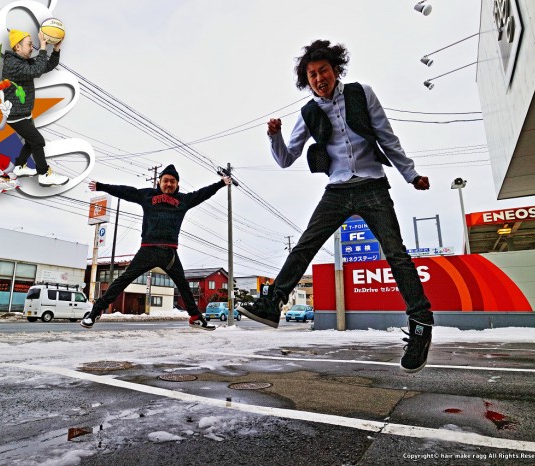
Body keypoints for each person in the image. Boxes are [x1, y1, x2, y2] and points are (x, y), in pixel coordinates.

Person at [238, 40, 434, 373]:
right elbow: (286, 159)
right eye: (312, 75)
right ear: (307, 80)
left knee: (396, 254)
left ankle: (421, 324)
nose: (319, 79)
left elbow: (386, 137)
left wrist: (411, 174)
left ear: (335, 69)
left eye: (323, 71)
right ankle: (272, 303)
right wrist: (274, 136)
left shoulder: (362, 93)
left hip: (372, 185)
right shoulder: (308, 112)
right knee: (305, 245)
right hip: (338, 189)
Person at [81, 165, 231, 330]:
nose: (169, 184)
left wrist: (220, 183)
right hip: (148, 250)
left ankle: (195, 318)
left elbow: (203, 193)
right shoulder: (148, 195)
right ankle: (95, 312)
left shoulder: (184, 200)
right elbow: (126, 191)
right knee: (123, 280)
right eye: (166, 180)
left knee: (183, 285)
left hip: (169, 253)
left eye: (172, 181)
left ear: (177, 184)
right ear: (159, 182)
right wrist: (102, 186)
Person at [1, 29, 68, 187]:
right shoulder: (12, 64)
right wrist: (43, 48)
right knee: (38, 141)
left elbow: (46, 66)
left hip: (24, 112)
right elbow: (37, 71)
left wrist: (56, 49)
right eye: (30, 44)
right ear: (17, 47)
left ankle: (19, 166)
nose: (33, 47)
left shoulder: (23, 62)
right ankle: (44, 174)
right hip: (15, 114)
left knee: (31, 141)